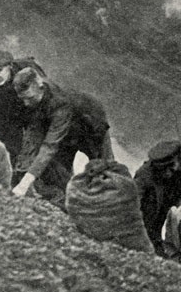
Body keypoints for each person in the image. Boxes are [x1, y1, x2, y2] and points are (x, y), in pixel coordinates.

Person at [9, 67, 113, 206]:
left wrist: (25, 183)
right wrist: (21, 172)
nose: (26, 103)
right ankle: (73, 207)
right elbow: (33, 138)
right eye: (23, 99)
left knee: (105, 173)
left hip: (91, 129)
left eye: (29, 98)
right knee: (60, 175)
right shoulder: (37, 99)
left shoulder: (60, 102)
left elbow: (50, 146)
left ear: (40, 86)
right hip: (67, 135)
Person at [134, 141, 181, 256]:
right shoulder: (143, 175)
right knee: (151, 248)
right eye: (163, 169)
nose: (167, 173)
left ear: (179, 158)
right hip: (151, 211)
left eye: (171, 167)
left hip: (172, 201)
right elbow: (133, 203)